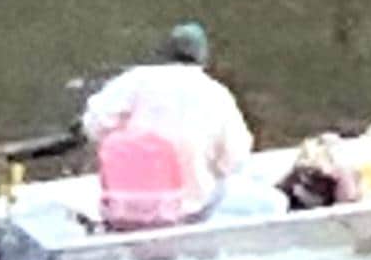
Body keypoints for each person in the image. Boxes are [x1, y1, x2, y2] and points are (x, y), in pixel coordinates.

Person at [80, 22, 284, 222]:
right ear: (203, 58)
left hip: (123, 207)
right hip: (190, 210)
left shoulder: (136, 79)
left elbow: (93, 125)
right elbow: (235, 159)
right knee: (275, 203)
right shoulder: (216, 93)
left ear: (166, 52)